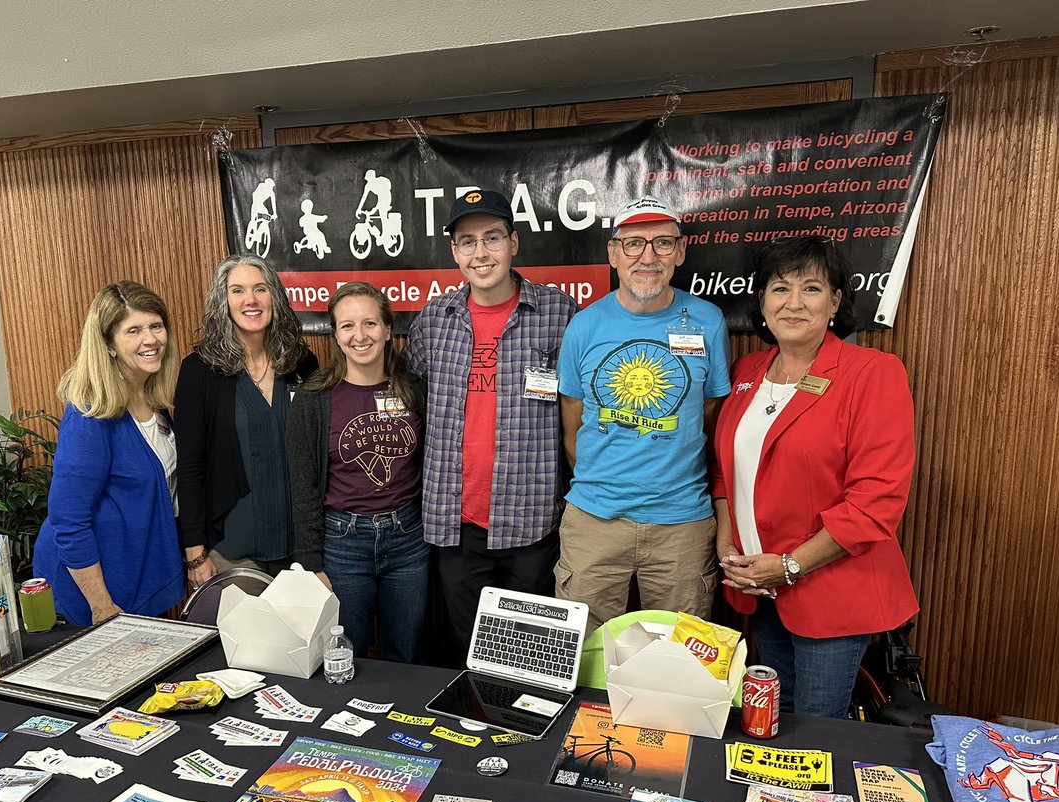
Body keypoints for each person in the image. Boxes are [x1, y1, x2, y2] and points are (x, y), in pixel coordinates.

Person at [712, 235, 918, 718]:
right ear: (762, 302)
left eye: (811, 288)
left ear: (835, 301)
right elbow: (724, 472)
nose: (794, 303)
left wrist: (789, 566)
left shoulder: (873, 372)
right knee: (776, 721)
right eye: (780, 288)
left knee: (817, 730)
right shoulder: (745, 371)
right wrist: (727, 544)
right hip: (759, 587)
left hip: (830, 592)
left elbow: (875, 502)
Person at [403, 189, 577, 662]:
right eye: (468, 242)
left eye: (492, 238)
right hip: (455, 525)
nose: (481, 252)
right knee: (474, 653)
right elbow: (411, 395)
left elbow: (581, 406)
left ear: (513, 243)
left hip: (531, 520)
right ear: (455, 252)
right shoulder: (435, 319)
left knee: (532, 657)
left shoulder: (558, 313)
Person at [557, 196, 731, 632]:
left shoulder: (709, 322)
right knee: (583, 650)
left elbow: (708, 414)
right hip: (594, 521)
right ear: (613, 253)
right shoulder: (584, 325)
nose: (648, 257)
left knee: (681, 655)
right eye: (634, 243)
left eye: (663, 243)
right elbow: (573, 421)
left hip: (682, 524)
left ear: (681, 251)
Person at [286, 282, 427, 662]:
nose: (359, 335)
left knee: (407, 655)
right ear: (335, 334)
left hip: (408, 540)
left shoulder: (415, 391)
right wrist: (310, 561)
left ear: (387, 329)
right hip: (342, 545)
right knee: (347, 655)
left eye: (370, 323)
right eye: (347, 325)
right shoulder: (313, 399)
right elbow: (303, 485)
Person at [33, 281, 184, 625]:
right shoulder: (90, 415)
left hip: (139, 578)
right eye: (134, 330)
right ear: (109, 344)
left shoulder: (153, 400)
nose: (150, 339)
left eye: (156, 326)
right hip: (95, 597)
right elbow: (68, 521)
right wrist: (101, 605)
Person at [175, 254, 318, 589]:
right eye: (237, 290)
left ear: (275, 297)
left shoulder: (302, 363)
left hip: (300, 546)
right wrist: (195, 552)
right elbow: (190, 466)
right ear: (223, 301)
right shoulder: (199, 371)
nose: (250, 300)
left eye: (260, 289)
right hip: (230, 548)